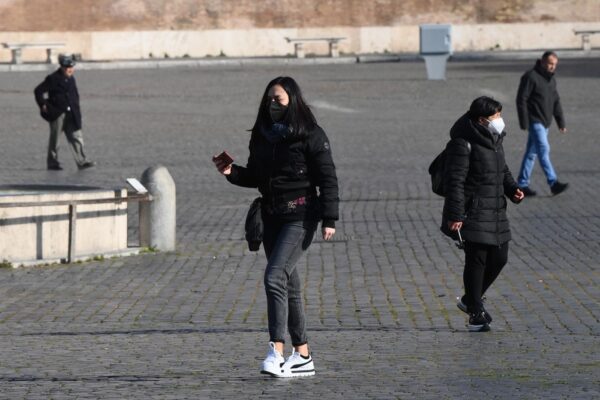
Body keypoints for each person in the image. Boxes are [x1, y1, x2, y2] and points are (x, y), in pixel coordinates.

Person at [213, 76, 339, 377]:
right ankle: (304, 355)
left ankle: (276, 351)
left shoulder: (311, 134)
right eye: (269, 99)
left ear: (292, 101)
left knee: (273, 277)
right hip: (271, 217)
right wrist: (231, 172)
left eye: (278, 100)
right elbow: (256, 176)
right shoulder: (261, 135)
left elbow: (328, 178)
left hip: (301, 215)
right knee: (289, 285)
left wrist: (329, 219)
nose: (272, 105)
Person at [441, 96, 524, 332]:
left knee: (500, 258)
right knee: (476, 261)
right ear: (481, 120)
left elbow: (502, 169)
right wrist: (455, 215)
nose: (499, 120)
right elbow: (454, 182)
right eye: (495, 116)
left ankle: (469, 300)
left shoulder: (495, 139)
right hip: (473, 210)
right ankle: (476, 313)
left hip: (496, 209)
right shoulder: (462, 143)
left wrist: (513, 189)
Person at [515, 51, 568, 196]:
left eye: (555, 64)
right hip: (535, 121)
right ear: (543, 62)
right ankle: (553, 183)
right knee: (544, 150)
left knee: (531, 154)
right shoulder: (530, 77)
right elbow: (522, 99)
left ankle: (522, 184)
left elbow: (556, 101)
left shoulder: (551, 80)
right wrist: (524, 121)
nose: (552, 67)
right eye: (550, 63)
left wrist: (560, 122)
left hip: (545, 122)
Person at [34, 54, 95, 170]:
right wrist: (43, 104)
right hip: (58, 113)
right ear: (61, 67)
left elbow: (74, 96)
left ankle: (82, 161)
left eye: (71, 67)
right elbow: (38, 91)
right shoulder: (53, 78)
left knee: (76, 137)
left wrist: (77, 110)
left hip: (72, 113)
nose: (69, 69)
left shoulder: (72, 78)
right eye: (66, 67)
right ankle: (52, 163)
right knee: (55, 140)